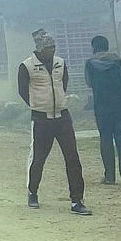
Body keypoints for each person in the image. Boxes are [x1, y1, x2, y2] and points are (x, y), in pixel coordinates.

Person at [19, 29, 92, 215]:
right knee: (38, 158)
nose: (52, 51)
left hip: (63, 117)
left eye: (54, 47)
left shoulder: (60, 63)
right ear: (40, 50)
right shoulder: (26, 66)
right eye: (49, 48)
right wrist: (37, 105)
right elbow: (22, 91)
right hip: (41, 119)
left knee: (73, 158)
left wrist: (58, 101)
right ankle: (32, 192)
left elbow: (63, 83)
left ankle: (77, 200)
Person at [85, 35, 121, 191]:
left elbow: (88, 82)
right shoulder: (119, 62)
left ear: (94, 48)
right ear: (107, 46)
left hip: (102, 108)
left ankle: (109, 176)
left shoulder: (90, 64)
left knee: (106, 140)